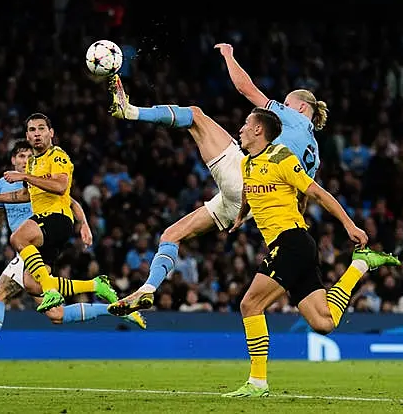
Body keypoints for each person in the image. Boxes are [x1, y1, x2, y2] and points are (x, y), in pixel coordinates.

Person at [106, 41, 327, 316]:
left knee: (196, 116)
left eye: (285, 104)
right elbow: (302, 196)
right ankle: (148, 289)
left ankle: (129, 111)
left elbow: (246, 89)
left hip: (246, 178)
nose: (280, 107)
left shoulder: (293, 118)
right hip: (251, 203)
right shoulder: (314, 154)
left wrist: (229, 55)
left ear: (301, 109)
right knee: (172, 235)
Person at [221, 107, 400, 397]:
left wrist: (349, 225)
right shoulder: (247, 165)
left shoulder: (282, 158)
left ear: (258, 130)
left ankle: (257, 382)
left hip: (292, 243)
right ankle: (360, 266)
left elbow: (318, 193)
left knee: (249, 305)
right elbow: (248, 192)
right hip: (293, 248)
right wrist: (241, 216)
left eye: (245, 124)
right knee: (323, 323)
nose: (240, 128)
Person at [0, 141, 145, 378]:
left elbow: (71, 202)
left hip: (35, 242)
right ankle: (112, 305)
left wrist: (84, 224)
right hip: (28, 250)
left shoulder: (40, 176)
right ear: (13, 160)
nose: (24, 160)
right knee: (56, 315)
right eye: (20, 156)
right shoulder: (5, 183)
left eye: (27, 155)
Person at [0, 113, 115, 313]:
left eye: (41, 129)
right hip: (44, 231)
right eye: (32, 130)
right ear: (27, 136)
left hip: (57, 219)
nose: (37, 134)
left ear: (51, 133)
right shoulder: (32, 164)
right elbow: (24, 195)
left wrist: (26, 176)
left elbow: (61, 186)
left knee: (17, 238)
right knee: (33, 285)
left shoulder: (57, 155)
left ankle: (52, 292)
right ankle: (96, 285)